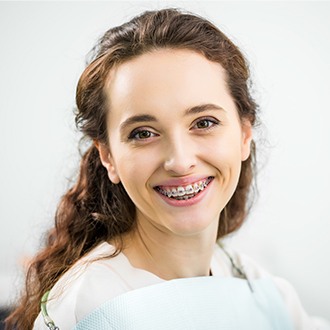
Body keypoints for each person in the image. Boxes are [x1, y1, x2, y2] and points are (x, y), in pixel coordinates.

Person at [5, 8, 329, 330]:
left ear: (245, 134)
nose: (179, 161)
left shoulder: (261, 290)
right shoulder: (93, 308)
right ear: (108, 157)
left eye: (204, 123)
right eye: (143, 133)